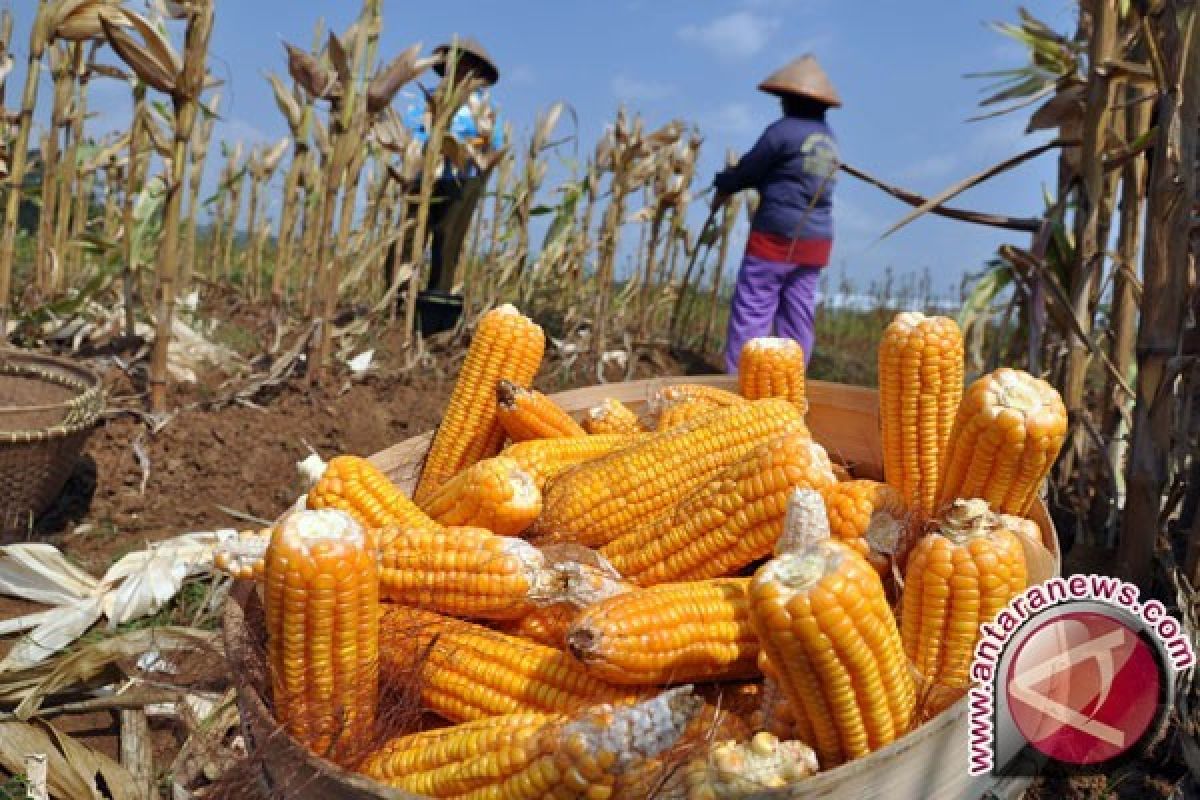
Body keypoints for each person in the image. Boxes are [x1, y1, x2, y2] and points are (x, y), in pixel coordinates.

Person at [711, 54, 840, 373]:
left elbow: (750, 171)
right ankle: (791, 385)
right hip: (816, 241)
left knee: (753, 310)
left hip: (776, 237)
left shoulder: (782, 132)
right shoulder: (829, 139)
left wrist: (725, 181)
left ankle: (740, 383)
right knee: (797, 315)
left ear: (789, 100)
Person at [397, 36, 504, 294]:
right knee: (409, 235)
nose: (461, 70)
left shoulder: (484, 108)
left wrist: (463, 149)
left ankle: (437, 298)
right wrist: (433, 145)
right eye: (456, 63)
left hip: (462, 181)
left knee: (448, 239)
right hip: (423, 175)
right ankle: (397, 297)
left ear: (478, 72)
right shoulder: (428, 99)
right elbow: (411, 133)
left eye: (468, 65)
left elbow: (493, 145)